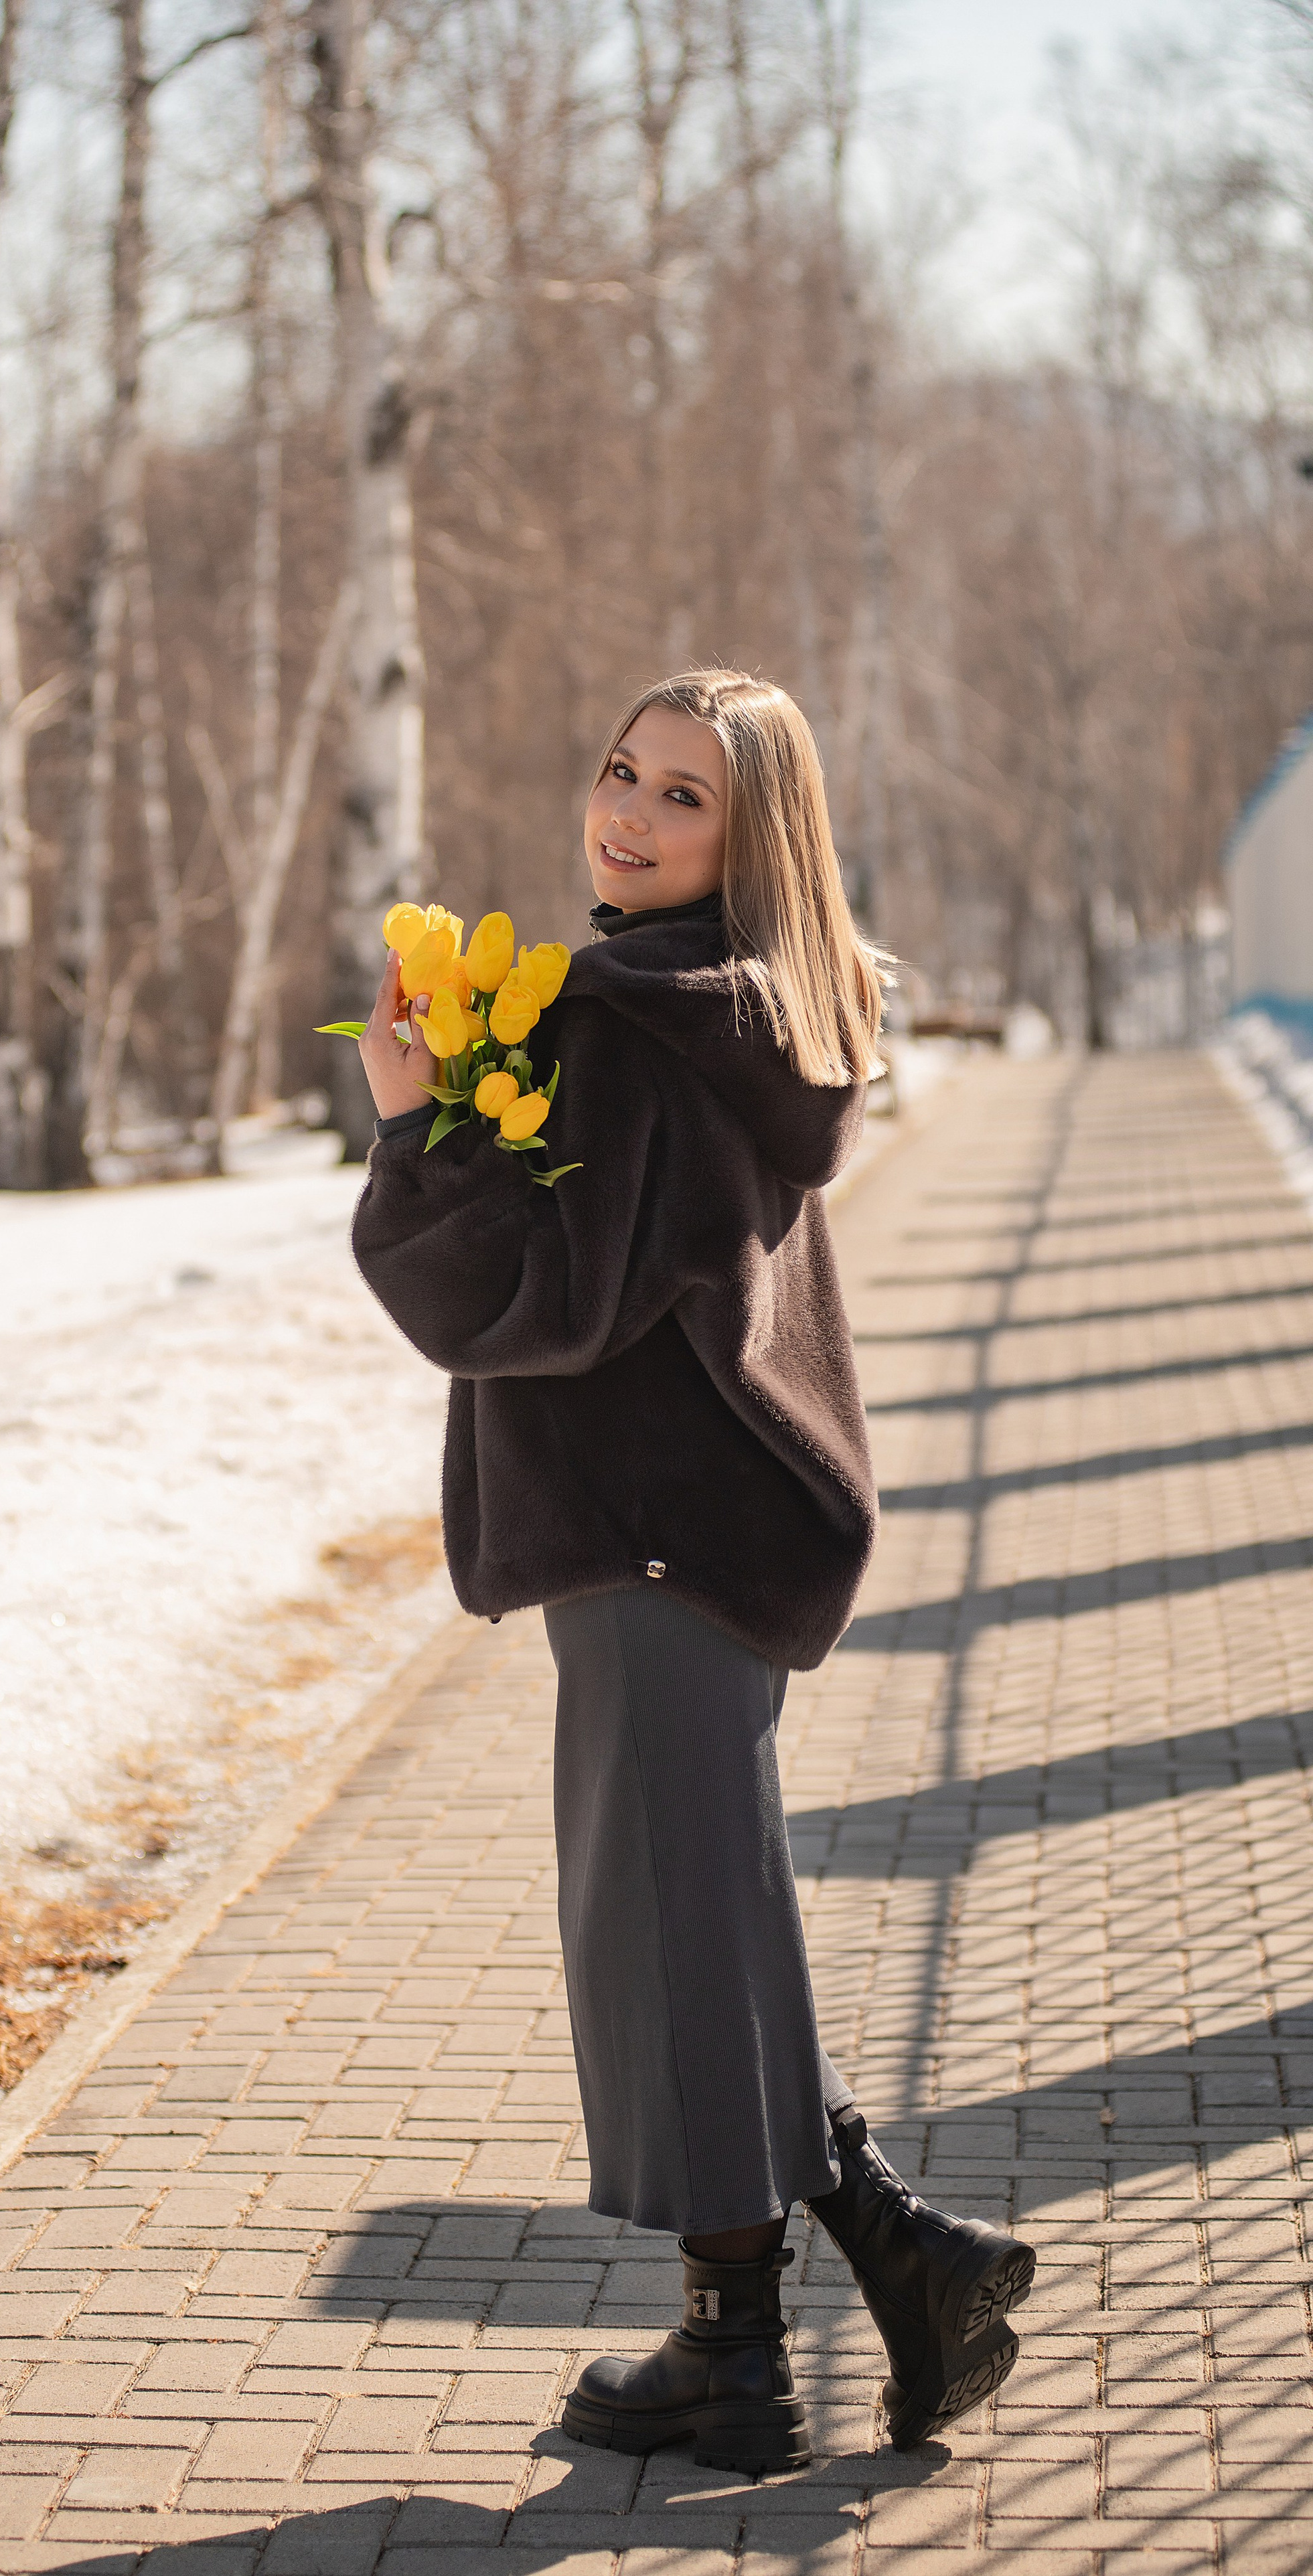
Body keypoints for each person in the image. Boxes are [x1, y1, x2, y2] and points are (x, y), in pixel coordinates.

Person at [348, 667, 1034, 2475]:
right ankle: (900, 2255)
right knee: (695, 1908)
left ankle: (740, 2364)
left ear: (757, 840)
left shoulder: (648, 1028)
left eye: (685, 800)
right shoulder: (733, 1011)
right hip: (699, 1515)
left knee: (666, 1914)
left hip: (663, 1523)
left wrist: (418, 1122)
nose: (629, 818)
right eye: (620, 776)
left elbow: (527, 1297)